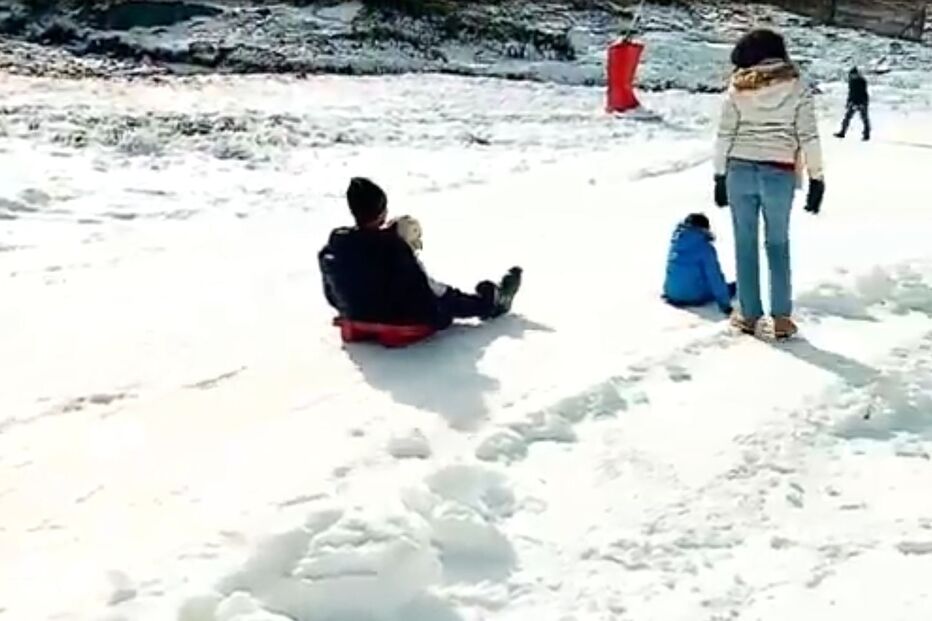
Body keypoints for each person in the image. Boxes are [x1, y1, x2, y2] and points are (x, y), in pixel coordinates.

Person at [713, 28, 825, 339]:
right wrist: (817, 178)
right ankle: (782, 319)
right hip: (779, 173)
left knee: (744, 244)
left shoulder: (737, 89)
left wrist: (719, 175)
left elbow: (724, 136)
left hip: (739, 171)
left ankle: (749, 315)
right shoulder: (798, 87)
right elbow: (809, 136)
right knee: (778, 245)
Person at [319, 177, 522, 330]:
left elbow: (332, 293)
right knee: (446, 298)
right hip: (400, 316)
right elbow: (426, 291)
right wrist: (448, 302)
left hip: (356, 313)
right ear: (382, 211)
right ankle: (494, 303)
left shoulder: (337, 245)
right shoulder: (394, 248)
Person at [662, 213, 736, 315]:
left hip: (671, 293)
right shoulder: (705, 248)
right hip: (693, 295)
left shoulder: (676, 242)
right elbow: (714, 277)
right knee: (731, 287)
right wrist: (725, 305)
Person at [834, 67, 870, 141]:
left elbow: (863, 93)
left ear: (857, 74)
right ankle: (842, 132)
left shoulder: (862, 81)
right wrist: (848, 102)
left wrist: (861, 104)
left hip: (862, 102)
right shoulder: (851, 81)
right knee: (847, 118)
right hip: (853, 102)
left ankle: (866, 135)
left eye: (853, 75)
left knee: (864, 119)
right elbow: (851, 93)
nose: (852, 76)